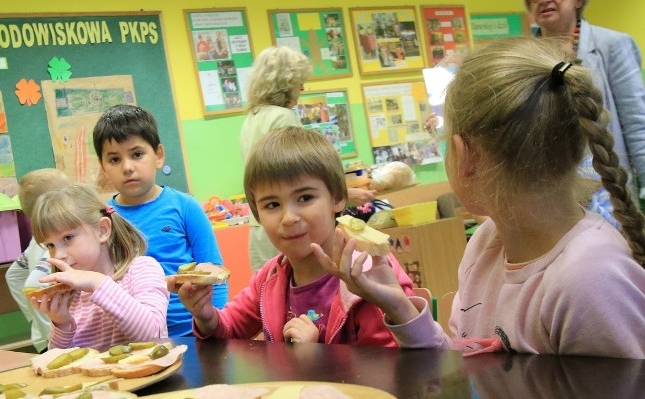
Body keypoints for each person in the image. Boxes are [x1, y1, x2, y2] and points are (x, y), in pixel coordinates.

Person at [314, 37, 645, 359]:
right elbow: (463, 368)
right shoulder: (487, 243)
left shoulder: (591, 279)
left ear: (464, 156)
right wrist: (397, 305)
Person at [178, 127, 414, 344]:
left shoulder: (367, 272)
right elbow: (231, 328)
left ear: (337, 198)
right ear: (257, 215)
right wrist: (206, 315)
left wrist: (318, 358)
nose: (288, 217)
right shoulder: (270, 278)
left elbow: (390, 367)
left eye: (304, 198)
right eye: (271, 204)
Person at [92, 104, 227, 337]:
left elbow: (214, 274)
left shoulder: (185, 207)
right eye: (114, 159)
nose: (127, 167)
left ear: (159, 155)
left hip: (192, 331)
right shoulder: (103, 219)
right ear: (103, 167)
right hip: (134, 336)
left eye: (137, 154)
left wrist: (215, 325)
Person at [526, 0, 645, 206]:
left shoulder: (612, 45)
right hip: (550, 191)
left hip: (606, 189)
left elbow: (637, 124)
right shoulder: (523, 56)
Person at [26, 184, 169, 350]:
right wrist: (62, 324)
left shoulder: (142, 269)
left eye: (68, 238)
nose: (58, 255)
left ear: (102, 230)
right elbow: (61, 363)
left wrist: (98, 283)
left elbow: (153, 336)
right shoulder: (71, 294)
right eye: (50, 245)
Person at [241, 46, 311, 271]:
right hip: (288, 221)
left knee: (267, 290)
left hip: (262, 222)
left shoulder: (253, 118)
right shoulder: (284, 117)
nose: (302, 87)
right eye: (298, 81)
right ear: (285, 83)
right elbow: (300, 175)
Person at [5, 168, 70, 352]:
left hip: (47, 335)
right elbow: (34, 283)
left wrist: (33, 317)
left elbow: (13, 274)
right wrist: (48, 329)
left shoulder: (37, 240)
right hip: (56, 342)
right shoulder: (51, 243)